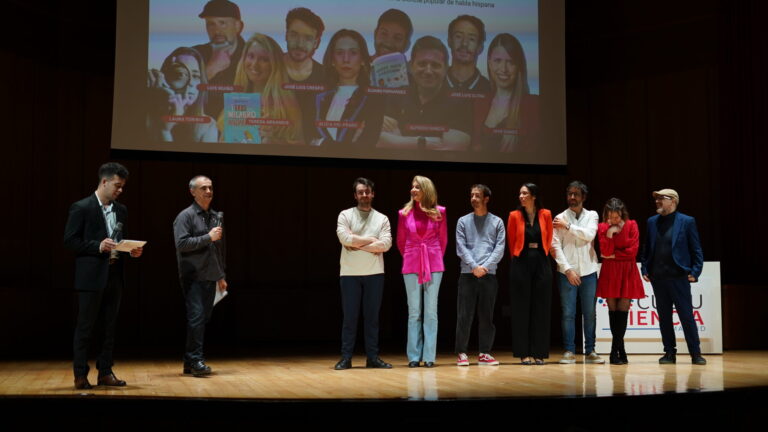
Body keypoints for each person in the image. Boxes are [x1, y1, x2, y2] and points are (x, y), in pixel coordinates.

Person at [64, 162, 144, 389]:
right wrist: (97, 246)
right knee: (85, 327)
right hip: (91, 277)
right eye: (117, 185)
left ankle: (105, 372)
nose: (120, 190)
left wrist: (131, 250)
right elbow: (70, 241)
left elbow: (121, 240)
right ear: (104, 181)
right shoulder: (82, 207)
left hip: (114, 275)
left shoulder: (121, 210)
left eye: (122, 186)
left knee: (109, 328)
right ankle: (80, 374)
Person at [641, 189, 706, 365]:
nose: (657, 201)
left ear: (673, 201)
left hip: (679, 277)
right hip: (658, 278)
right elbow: (647, 248)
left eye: (661, 198)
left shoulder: (687, 221)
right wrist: (645, 268)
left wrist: (695, 271)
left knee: (686, 316)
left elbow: (696, 249)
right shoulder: (652, 222)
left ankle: (695, 353)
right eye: (656, 199)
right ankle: (669, 353)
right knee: (664, 318)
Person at [334, 178, 393, 370]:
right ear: (355, 195)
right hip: (349, 273)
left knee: (372, 319)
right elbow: (345, 238)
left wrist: (356, 243)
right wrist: (371, 240)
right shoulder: (345, 215)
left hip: (375, 273)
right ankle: (346, 358)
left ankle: (372, 358)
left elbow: (386, 244)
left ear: (373, 194)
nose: (364, 195)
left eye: (367, 192)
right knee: (349, 319)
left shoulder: (382, 218)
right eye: (361, 192)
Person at [173, 176, 227, 376]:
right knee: (196, 317)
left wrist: (221, 275)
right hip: (193, 276)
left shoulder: (214, 216)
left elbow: (218, 249)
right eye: (203, 188)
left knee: (202, 318)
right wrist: (208, 237)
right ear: (192, 192)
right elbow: (181, 244)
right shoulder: (185, 216)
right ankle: (196, 360)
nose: (208, 191)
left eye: (210, 188)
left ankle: (189, 361)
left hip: (211, 275)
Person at [377, 36, 472, 150]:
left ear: (446, 68)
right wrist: (423, 142)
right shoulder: (397, 94)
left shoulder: (461, 101)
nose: (428, 71)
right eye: (422, 64)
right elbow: (378, 139)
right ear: (411, 66)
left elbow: (450, 148)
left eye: (435, 65)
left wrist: (397, 140)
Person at [551, 181, 604, 364]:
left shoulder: (592, 215)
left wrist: (568, 227)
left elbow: (589, 235)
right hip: (567, 272)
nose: (572, 197)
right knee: (568, 313)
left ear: (584, 197)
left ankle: (590, 351)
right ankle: (569, 351)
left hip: (589, 270)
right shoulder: (559, 217)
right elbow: (555, 246)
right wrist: (567, 270)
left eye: (576, 194)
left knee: (589, 313)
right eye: (569, 194)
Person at [397, 176, 447, 367]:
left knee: (431, 311)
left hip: (433, 264)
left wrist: (432, 256)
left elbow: (443, 240)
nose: (413, 190)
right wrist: (413, 255)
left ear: (426, 190)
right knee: (414, 312)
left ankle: (429, 357)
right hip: (411, 263)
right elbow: (401, 241)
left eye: (417, 187)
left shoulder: (440, 212)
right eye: (412, 187)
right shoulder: (404, 213)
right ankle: (413, 356)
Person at [220, 33, 303, 144]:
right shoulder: (235, 99)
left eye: (264, 59)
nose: (254, 65)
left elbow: (301, 146)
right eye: (251, 56)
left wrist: (274, 142)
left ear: (275, 65)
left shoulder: (287, 106)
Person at [455, 184, 505, 366]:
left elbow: (499, 248)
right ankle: (462, 353)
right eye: (472, 195)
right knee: (464, 315)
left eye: (477, 195)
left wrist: (485, 267)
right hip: (468, 273)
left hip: (488, 274)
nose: (473, 199)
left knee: (486, 316)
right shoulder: (463, 221)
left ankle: (484, 352)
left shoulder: (497, 222)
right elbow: (461, 247)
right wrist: (475, 266)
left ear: (486, 199)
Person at [311, 29, 383, 147]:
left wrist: (320, 143)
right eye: (339, 53)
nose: (346, 59)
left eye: (353, 53)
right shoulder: (316, 95)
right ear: (332, 60)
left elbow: (366, 144)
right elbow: (309, 136)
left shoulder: (374, 99)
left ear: (363, 60)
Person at [506, 183, 552, 365]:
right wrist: (518, 261)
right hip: (521, 261)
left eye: (525, 193)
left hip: (541, 260)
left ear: (534, 196)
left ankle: (539, 352)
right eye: (520, 193)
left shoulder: (546, 214)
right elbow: (511, 242)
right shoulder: (514, 215)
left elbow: (548, 238)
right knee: (521, 308)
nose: (521, 196)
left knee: (541, 307)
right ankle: (523, 352)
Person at [596, 198, 645, 365]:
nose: (614, 220)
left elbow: (633, 251)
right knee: (613, 311)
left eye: (616, 217)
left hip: (627, 270)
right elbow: (604, 251)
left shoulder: (632, 225)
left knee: (623, 310)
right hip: (610, 271)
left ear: (622, 214)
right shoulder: (603, 227)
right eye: (611, 217)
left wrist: (614, 255)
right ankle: (620, 351)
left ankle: (614, 352)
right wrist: (610, 234)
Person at [482, 33, 539, 152]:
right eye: (498, 61)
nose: (504, 69)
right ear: (489, 63)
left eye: (511, 62)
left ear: (519, 66)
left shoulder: (534, 105)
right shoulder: (478, 102)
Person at [147, 47, 218, 142]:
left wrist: (165, 131)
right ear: (165, 79)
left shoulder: (208, 125)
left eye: (196, 76)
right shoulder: (148, 117)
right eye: (180, 74)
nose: (190, 82)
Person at [192, 0, 246, 117]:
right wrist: (210, 70)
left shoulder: (257, 57)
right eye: (211, 24)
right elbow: (174, 97)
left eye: (222, 23)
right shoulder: (192, 55)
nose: (217, 31)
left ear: (238, 26)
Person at [446, 15, 490, 92]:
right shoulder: (435, 82)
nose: (464, 43)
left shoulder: (490, 89)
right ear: (449, 41)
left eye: (471, 39)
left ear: (480, 47)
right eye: (458, 36)